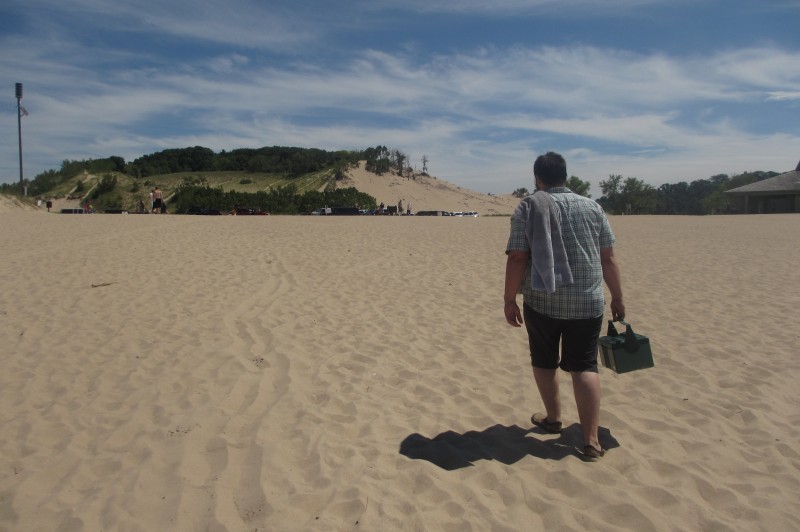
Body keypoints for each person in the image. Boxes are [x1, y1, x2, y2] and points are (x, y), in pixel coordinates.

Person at [504, 151, 624, 461]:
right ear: (565, 176)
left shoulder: (529, 207)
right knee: (584, 366)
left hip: (543, 302)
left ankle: (553, 418)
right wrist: (618, 297)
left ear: (538, 179)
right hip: (587, 301)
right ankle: (591, 440)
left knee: (544, 361)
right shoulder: (592, 207)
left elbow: (518, 256)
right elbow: (607, 258)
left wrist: (508, 299)